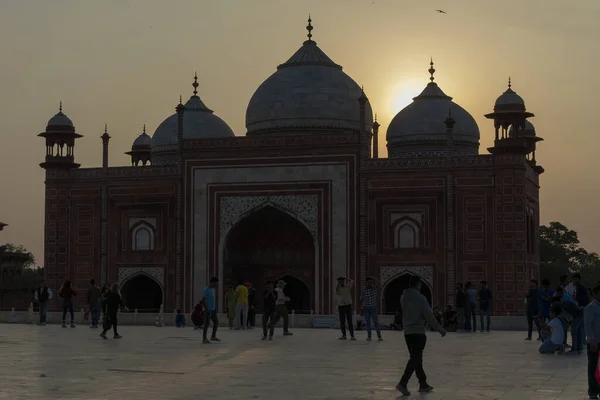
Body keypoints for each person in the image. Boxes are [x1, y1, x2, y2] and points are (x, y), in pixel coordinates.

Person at [396, 276, 446, 396]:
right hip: (418, 332)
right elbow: (429, 315)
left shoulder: (403, 297)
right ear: (418, 284)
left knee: (416, 358)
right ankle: (403, 382)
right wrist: (439, 329)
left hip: (407, 332)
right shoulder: (420, 298)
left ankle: (423, 383)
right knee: (415, 358)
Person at [554, 286, 584, 355]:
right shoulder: (564, 300)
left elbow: (570, 313)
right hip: (580, 315)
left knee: (574, 333)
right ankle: (579, 347)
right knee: (578, 332)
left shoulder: (565, 302)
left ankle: (574, 349)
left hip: (577, 316)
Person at [584, 284, 600, 398]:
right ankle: (593, 391)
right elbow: (588, 325)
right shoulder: (591, 307)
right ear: (595, 294)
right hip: (596, 341)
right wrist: (592, 339)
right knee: (593, 367)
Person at [360, 277, 382, 341]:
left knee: (376, 322)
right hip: (366, 308)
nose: (370, 284)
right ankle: (369, 336)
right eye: (369, 282)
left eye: (371, 282)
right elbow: (361, 299)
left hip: (373, 308)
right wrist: (361, 308)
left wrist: (373, 279)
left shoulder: (374, 288)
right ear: (366, 283)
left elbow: (380, 283)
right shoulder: (363, 290)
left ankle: (379, 336)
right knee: (368, 323)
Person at [572, 273, 590, 353]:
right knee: (579, 330)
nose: (574, 281)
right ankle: (579, 346)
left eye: (576, 279)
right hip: (578, 311)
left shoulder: (581, 288)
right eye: (573, 279)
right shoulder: (576, 288)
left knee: (574, 330)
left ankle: (575, 347)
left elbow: (585, 300)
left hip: (580, 311)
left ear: (579, 279)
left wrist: (580, 306)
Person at [201, 277, 220, 344]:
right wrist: (206, 309)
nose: (216, 285)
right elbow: (203, 300)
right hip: (207, 310)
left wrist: (214, 308)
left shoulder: (212, 290)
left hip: (213, 309)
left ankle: (213, 336)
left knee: (216, 322)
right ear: (212, 282)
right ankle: (204, 339)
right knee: (207, 324)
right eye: (215, 284)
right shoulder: (206, 290)